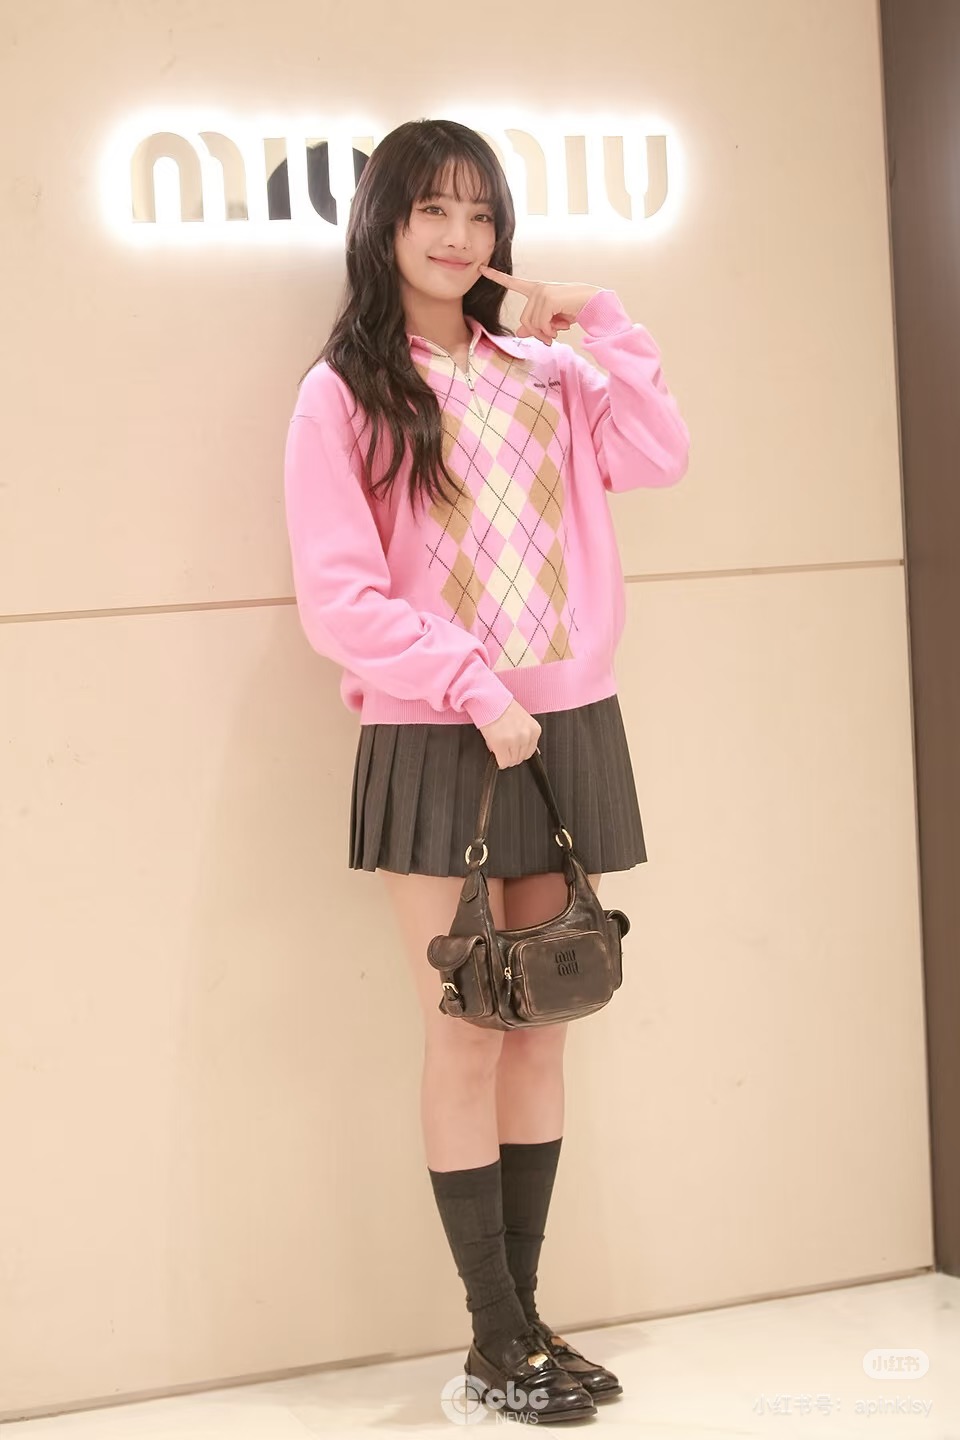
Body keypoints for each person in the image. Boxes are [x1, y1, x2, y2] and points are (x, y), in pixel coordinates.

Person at [283, 117, 690, 1423]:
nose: (459, 237)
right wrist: (469, 686)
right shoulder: (345, 392)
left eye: (479, 214)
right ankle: (493, 1335)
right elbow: (339, 598)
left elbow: (660, 456)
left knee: (543, 1028)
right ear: (385, 227)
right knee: (465, 1031)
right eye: (432, 212)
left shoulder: (546, 371)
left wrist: (602, 319)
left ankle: (526, 1324)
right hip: (437, 738)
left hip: (564, 721)